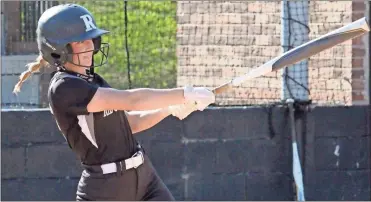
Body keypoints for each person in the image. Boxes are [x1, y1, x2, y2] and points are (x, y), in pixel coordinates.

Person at [13, 4, 215, 201]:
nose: (90, 46)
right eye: (80, 41)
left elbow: (129, 124)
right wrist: (184, 93)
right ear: (58, 50)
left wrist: (168, 109)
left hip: (144, 177)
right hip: (106, 189)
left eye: (91, 39)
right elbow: (131, 100)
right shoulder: (64, 87)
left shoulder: (93, 80)